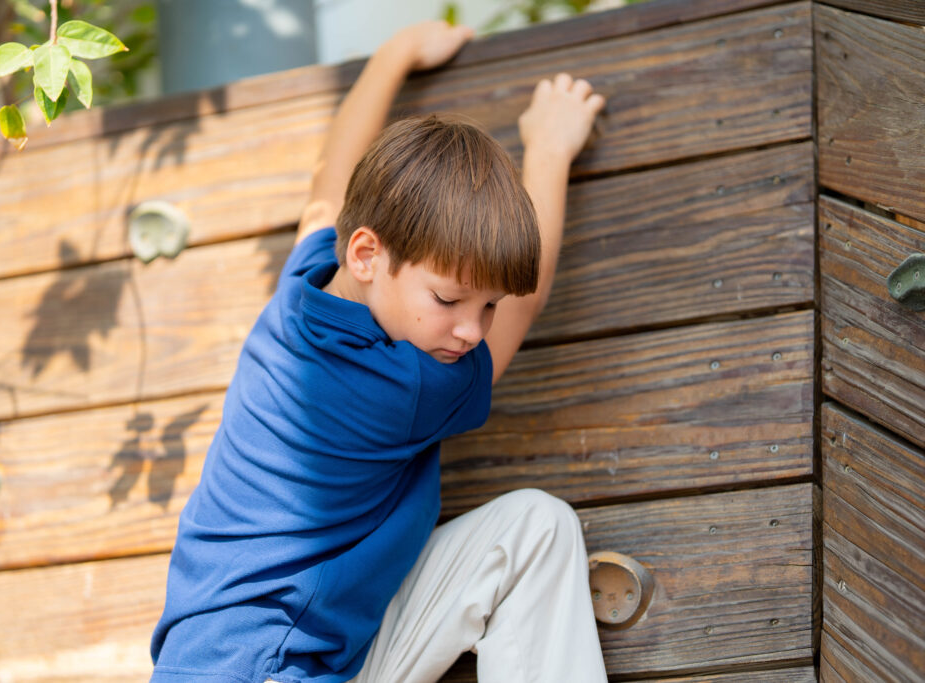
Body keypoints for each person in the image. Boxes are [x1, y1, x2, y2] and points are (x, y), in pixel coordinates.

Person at [150, 19, 608, 683]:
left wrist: (394, 55)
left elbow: (328, 183)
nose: (472, 331)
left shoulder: (309, 279)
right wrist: (551, 146)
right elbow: (526, 299)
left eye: (485, 306)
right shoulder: (397, 386)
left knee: (534, 528)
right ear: (368, 254)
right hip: (264, 670)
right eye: (449, 300)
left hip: (281, 650)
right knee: (535, 532)